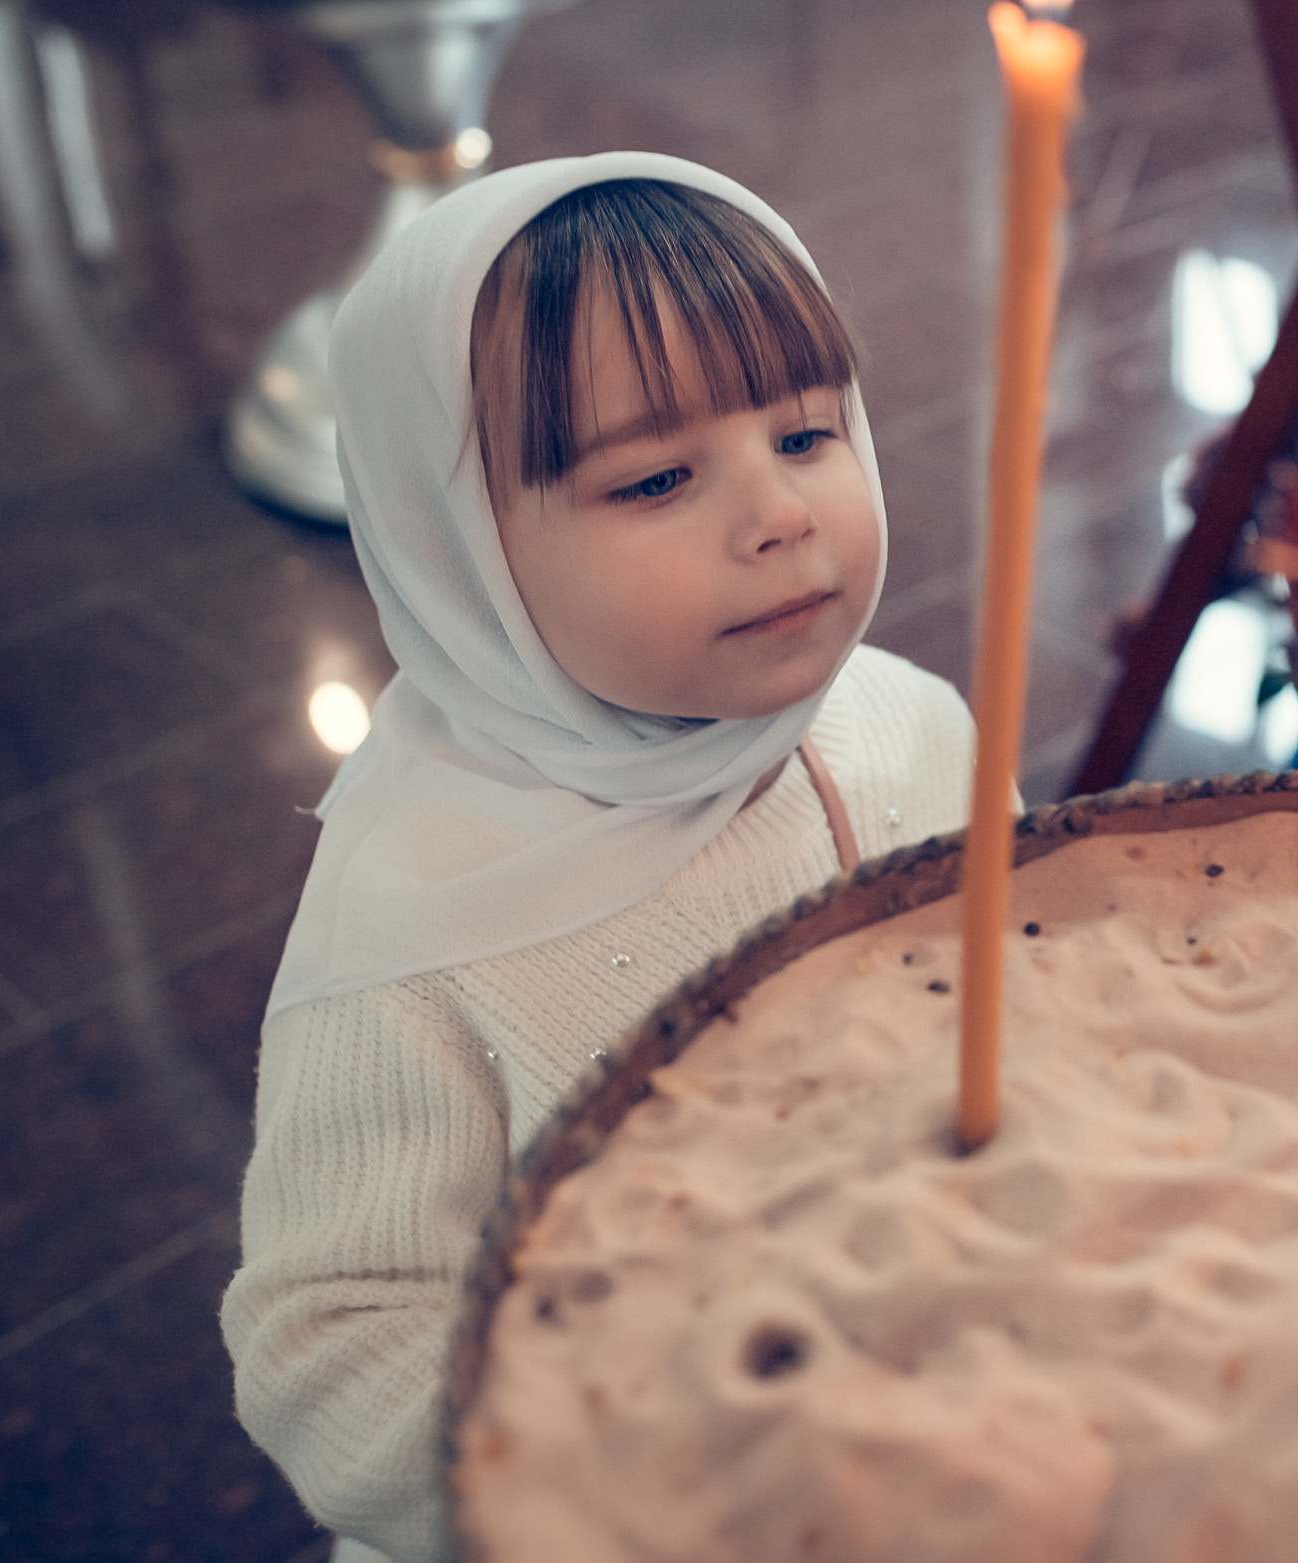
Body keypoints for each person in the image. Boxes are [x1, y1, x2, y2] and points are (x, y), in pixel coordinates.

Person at [220, 154, 977, 1562]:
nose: (779, 515)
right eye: (658, 479)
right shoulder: (416, 928)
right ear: (463, 554)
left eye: (808, 435)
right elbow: (331, 1343)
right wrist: (612, 1461)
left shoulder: (906, 723)